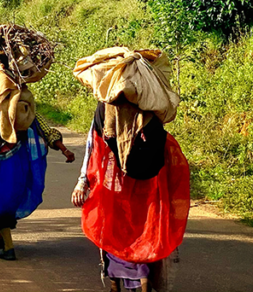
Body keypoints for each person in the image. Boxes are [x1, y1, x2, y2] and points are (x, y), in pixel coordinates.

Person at [70, 47, 190, 291]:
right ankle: (138, 279)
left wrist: (84, 179)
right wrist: (83, 180)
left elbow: (93, 146)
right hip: (142, 189)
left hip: (116, 185)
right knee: (141, 230)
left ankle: (122, 280)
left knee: (119, 230)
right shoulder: (149, 114)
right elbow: (96, 145)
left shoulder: (107, 110)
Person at [0, 25, 74, 261]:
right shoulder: (22, 97)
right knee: (10, 194)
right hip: (18, 156)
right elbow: (39, 124)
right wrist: (60, 146)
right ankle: (5, 233)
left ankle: (7, 244)